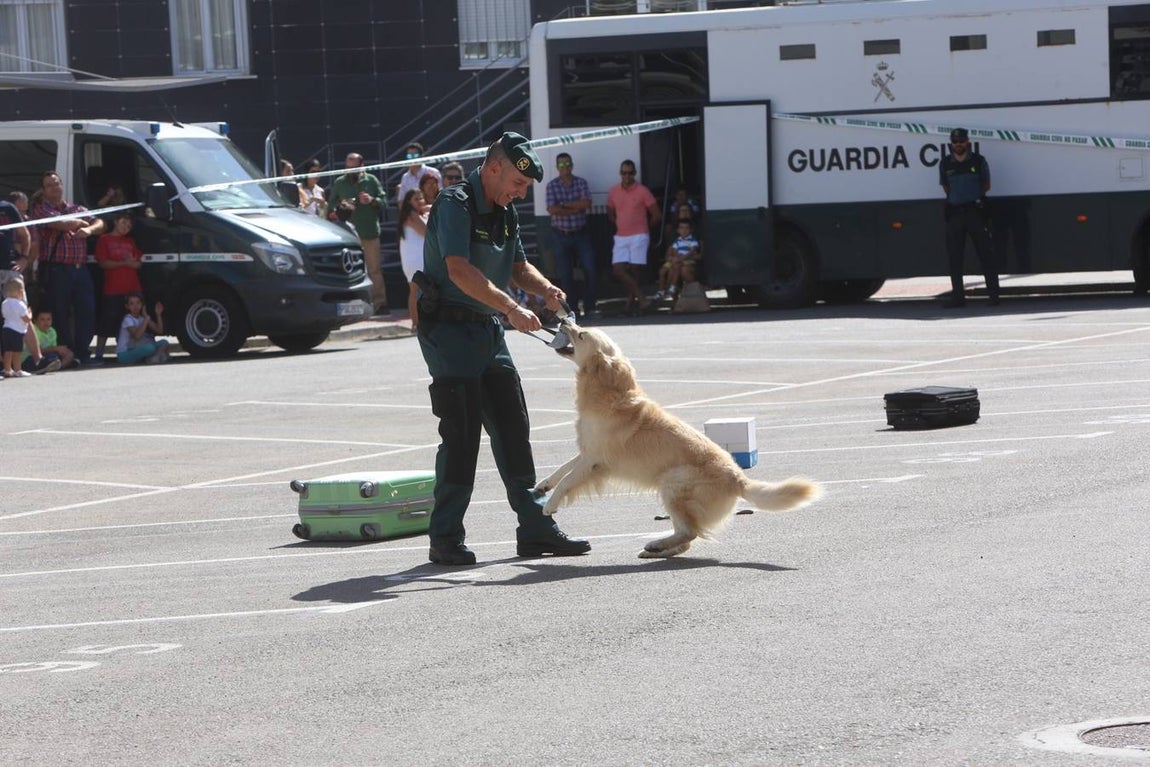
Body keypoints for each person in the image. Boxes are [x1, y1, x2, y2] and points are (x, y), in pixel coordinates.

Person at [416, 131, 592, 566]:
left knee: (514, 429)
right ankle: (445, 537)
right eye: (517, 182)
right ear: (493, 168)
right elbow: (458, 270)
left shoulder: (505, 209)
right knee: (460, 436)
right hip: (450, 332)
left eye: (526, 187)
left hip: (486, 330)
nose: (521, 192)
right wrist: (513, 308)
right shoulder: (454, 204)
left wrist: (545, 288)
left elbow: (517, 266)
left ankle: (535, 529)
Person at [33, 170, 106, 366]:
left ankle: (82, 352)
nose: (54, 187)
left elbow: (100, 223)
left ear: (62, 185)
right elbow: (58, 224)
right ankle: (66, 353)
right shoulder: (41, 209)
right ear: (44, 190)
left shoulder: (76, 208)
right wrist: (79, 222)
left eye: (57, 183)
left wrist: (88, 229)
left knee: (86, 311)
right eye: (49, 185)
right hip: (58, 270)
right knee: (60, 312)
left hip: (80, 269)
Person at [939, 127, 999, 307]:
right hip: (955, 213)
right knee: (955, 257)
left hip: (975, 212)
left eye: (961, 141)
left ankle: (993, 296)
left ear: (968, 142)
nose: (958, 145)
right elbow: (946, 188)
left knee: (985, 254)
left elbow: (986, 185)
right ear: (951, 143)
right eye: (955, 142)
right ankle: (958, 297)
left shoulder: (979, 161)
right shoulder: (946, 163)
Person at [329, 153, 388, 316]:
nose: (350, 170)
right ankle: (353, 305)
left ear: (361, 165)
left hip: (369, 232)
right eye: (347, 167)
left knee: (374, 269)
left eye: (353, 167)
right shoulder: (340, 182)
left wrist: (372, 200)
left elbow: (384, 201)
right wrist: (340, 206)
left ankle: (379, 303)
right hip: (347, 236)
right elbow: (331, 204)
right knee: (350, 271)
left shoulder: (371, 180)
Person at [545, 152, 597, 319]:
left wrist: (564, 206)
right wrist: (575, 208)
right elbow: (552, 209)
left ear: (572, 165)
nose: (564, 167)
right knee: (565, 275)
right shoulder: (551, 185)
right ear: (557, 167)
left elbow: (587, 203)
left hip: (581, 232)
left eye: (567, 164)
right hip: (560, 235)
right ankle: (572, 309)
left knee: (590, 270)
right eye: (561, 165)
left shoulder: (581, 182)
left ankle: (590, 307)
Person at [607, 159, 660, 315]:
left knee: (636, 271)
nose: (627, 176)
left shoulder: (643, 191)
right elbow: (610, 210)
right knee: (618, 270)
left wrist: (644, 228)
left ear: (635, 173)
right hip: (621, 236)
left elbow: (656, 214)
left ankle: (629, 305)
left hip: (639, 235)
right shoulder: (613, 191)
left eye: (630, 173)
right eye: (624, 173)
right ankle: (642, 300)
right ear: (620, 173)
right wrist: (617, 221)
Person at [94, 212, 144, 363]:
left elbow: (138, 263)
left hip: (133, 288)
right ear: (116, 221)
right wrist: (124, 263)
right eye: (123, 223)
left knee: (132, 322)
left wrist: (128, 263)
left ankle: (129, 350)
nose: (126, 227)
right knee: (107, 322)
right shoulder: (104, 239)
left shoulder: (130, 241)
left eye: (129, 226)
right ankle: (98, 354)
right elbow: (103, 263)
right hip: (113, 288)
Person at [397, 189, 430, 328]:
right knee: (416, 291)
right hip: (415, 260)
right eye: (416, 199)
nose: (420, 201)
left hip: (414, 258)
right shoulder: (411, 215)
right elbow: (426, 232)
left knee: (415, 291)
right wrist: (430, 213)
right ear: (409, 202)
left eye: (421, 198)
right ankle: (416, 323)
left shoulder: (415, 215)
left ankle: (417, 323)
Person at [655, 218, 701, 301]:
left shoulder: (693, 240)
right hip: (677, 259)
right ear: (678, 230)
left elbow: (691, 252)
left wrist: (680, 259)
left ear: (691, 230)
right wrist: (673, 258)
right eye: (682, 228)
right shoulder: (677, 241)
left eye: (687, 228)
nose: (684, 230)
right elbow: (674, 251)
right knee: (662, 271)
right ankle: (661, 291)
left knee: (675, 267)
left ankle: (673, 286)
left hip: (687, 261)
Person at [116, 293, 169, 365]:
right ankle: (156, 357)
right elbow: (137, 337)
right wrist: (146, 320)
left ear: (142, 305)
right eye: (131, 304)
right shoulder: (128, 319)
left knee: (164, 342)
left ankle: (155, 357)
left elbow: (159, 330)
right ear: (127, 306)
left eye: (138, 303)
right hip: (125, 354)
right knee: (150, 348)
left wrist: (158, 314)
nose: (135, 306)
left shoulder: (142, 318)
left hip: (138, 348)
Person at [21, 307, 73, 373]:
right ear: (35, 321)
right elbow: (38, 350)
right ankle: (62, 364)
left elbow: (53, 349)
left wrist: (61, 351)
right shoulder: (33, 331)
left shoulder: (52, 331)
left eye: (48, 319)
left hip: (46, 355)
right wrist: (56, 348)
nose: (46, 322)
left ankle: (60, 366)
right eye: (42, 319)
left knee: (69, 353)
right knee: (52, 356)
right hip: (28, 359)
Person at [396, 141, 441, 208]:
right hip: (414, 216)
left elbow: (441, 194)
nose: (412, 158)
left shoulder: (433, 172)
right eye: (409, 156)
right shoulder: (405, 177)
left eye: (415, 155)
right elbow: (401, 200)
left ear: (421, 156)